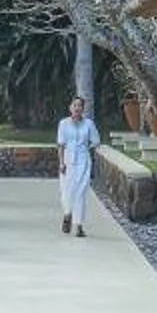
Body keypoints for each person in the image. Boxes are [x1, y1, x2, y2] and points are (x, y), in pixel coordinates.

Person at [55, 94, 100, 236]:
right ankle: (67, 214)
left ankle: (79, 225)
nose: (77, 108)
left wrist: (87, 148)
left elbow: (96, 141)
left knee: (80, 192)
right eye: (75, 105)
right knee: (67, 191)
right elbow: (61, 145)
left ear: (83, 108)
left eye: (80, 106)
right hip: (68, 160)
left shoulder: (89, 124)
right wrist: (62, 163)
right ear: (70, 107)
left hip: (83, 161)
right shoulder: (63, 124)